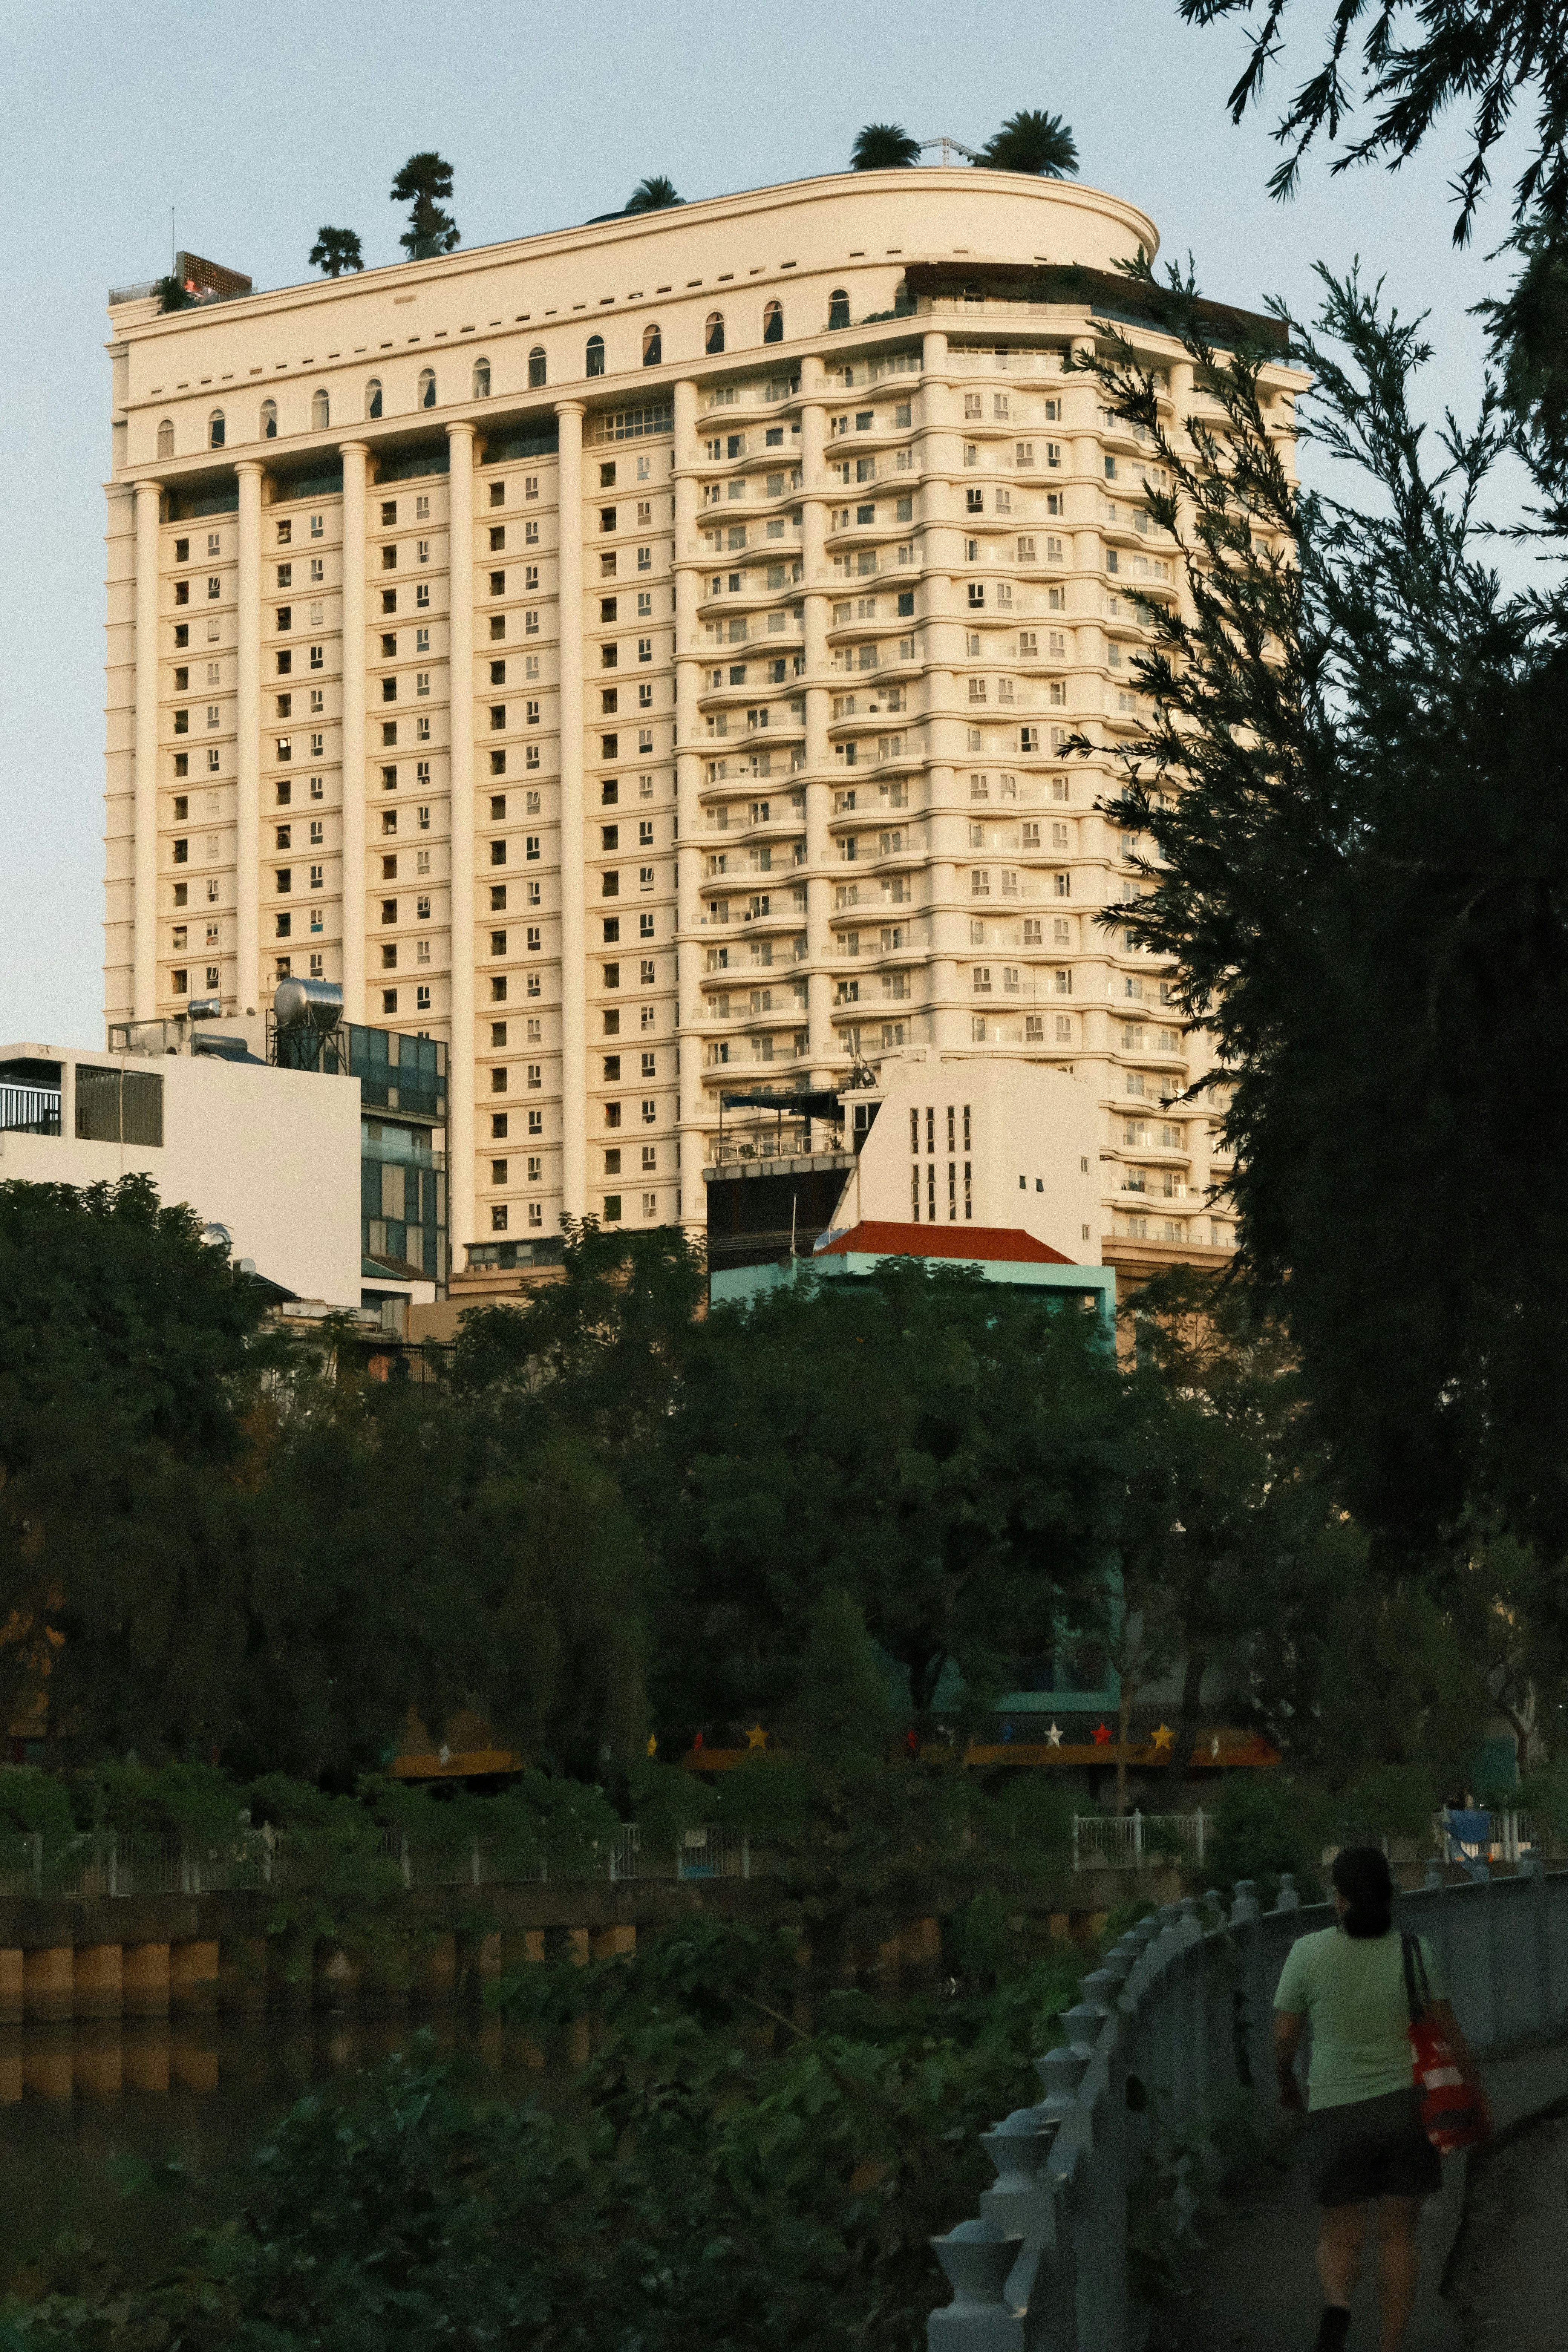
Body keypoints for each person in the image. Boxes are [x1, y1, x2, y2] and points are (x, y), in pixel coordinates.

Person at [1272, 1846, 1490, 2352]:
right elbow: (1450, 2034)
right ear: (1391, 1897)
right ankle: (1389, 2347)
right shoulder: (1416, 1952)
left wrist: (1286, 2083)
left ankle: (1338, 2304)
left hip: (1336, 2112)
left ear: (1338, 1898)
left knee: (1341, 2235)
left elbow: (1284, 2040)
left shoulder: (1306, 1953)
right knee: (1398, 2236)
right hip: (1407, 2111)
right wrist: (1478, 2098)